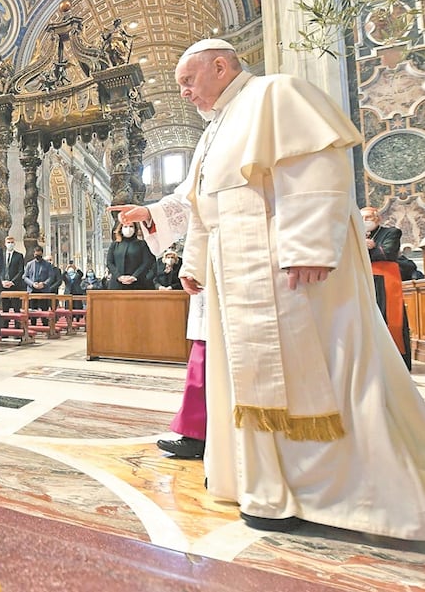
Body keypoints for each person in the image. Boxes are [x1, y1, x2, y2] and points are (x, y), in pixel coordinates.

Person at [168, 37, 425, 537]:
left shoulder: (274, 95)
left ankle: (326, 487)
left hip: (286, 269)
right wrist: (194, 260)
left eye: (188, 81)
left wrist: (307, 245)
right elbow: (205, 207)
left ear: (220, 66)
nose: (183, 93)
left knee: (312, 369)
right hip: (234, 268)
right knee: (242, 376)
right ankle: (259, 482)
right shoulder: (214, 130)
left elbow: (315, 167)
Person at [115, 188, 207, 460]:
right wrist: (150, 213)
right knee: (203, 355)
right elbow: (189, 201)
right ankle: (197, 430)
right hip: (210, 262)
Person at [361, 207, 411, 369]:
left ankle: (396, 364)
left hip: (386, 281)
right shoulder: (356, 236)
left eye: (368, 217)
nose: (365, 221)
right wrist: (366, 247)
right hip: (365, 280)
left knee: (389, 320)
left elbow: (387, 253)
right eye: (361, 218)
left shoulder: (392, 232)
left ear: (378, 218)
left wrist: (369, 248)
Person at [106, 221, 155, 290]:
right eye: (125, 226)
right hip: (117, 284)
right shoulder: (114, 245)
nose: (128, 229)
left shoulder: (142, 244)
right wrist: (119, 276)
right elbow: (109, 262)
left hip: (137, 283)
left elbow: (146, 262)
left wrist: (134, 276)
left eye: (131, 226)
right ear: (121, 229)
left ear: (135, 229)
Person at [0, 235, 25, 313]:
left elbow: (21, 271)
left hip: (15, 285)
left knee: (16, 307)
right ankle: (5, 324)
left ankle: (17, 324)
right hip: (3, 285)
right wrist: (2, 281)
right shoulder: (1, 255)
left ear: (14, 244)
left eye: (12, 242)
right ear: (5, 244)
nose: (10, 244)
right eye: (8, 242)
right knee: (5, 307)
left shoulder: (19, 256)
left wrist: (12, 282)